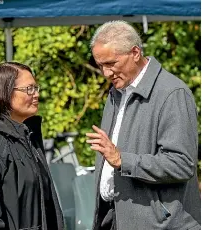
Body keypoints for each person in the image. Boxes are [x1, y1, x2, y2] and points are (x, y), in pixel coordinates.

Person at [86, 21, 200, 230]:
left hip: (160, 225)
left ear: (135, 52)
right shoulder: (116, 93)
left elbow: (182, 164)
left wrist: (123, 160)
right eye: (100, 65)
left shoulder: (172, 93)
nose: (106, 73)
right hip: (115, 219)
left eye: (111, 63)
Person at [0, 62, 64, 230]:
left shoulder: (27, 136)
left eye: (36, 88)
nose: (36, 94)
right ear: (4, 93)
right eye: (29, 89)